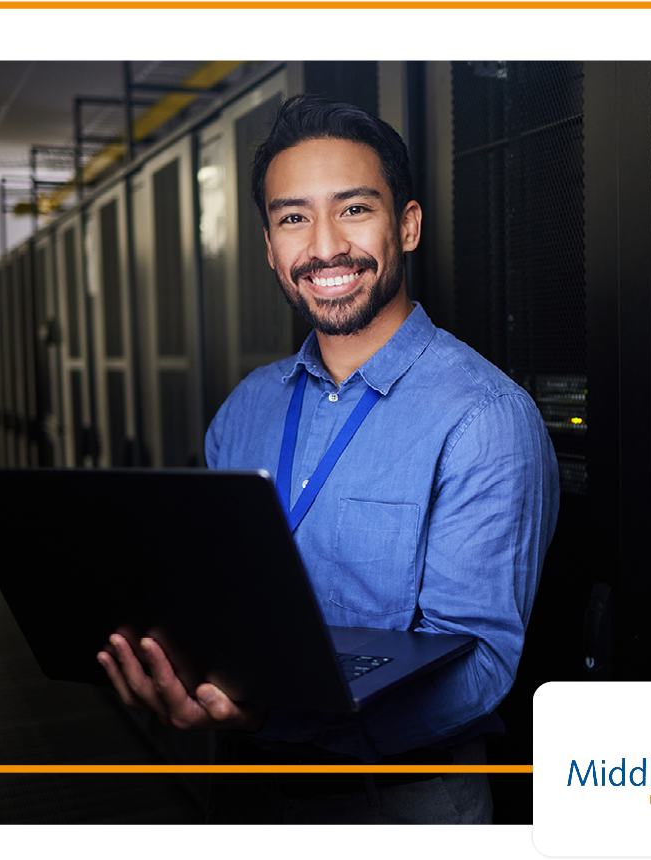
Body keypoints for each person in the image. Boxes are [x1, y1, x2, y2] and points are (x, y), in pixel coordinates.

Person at [97, 94, 560, 824]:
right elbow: (215, 605)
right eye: (292, 218)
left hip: (402, 803)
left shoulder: (483, 419)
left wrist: (268, 720)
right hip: (242, 792)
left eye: (352, 209)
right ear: (270, 245)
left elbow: (477, 670)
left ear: (406, 225)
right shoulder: (244, 412)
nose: (323, 247)